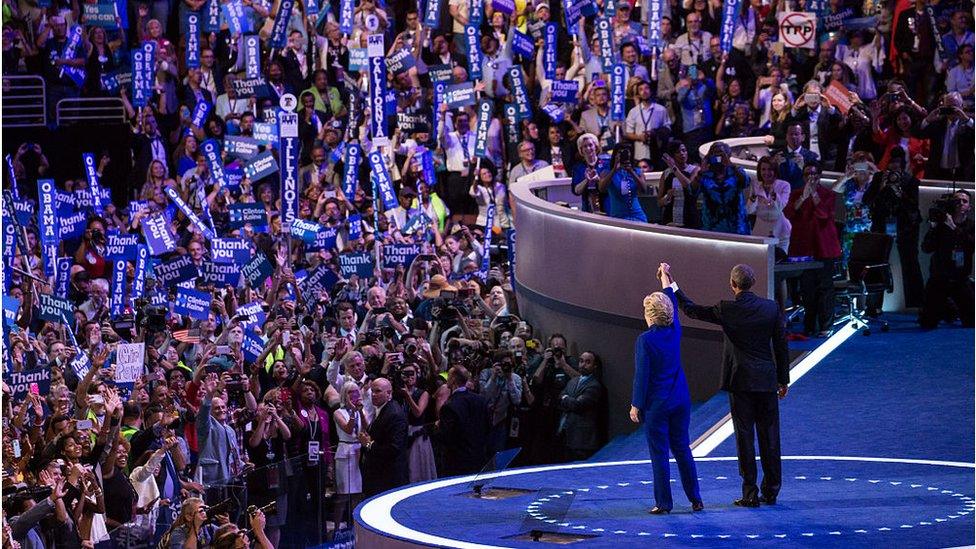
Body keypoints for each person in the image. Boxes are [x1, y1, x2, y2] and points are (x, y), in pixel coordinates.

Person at [670, 263, 790, 507]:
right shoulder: (770, 308)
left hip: (740, 382)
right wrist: (783, 379)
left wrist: (671, 285)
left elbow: (691, 310)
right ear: (753, 282)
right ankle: (772, 491)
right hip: (766, 381)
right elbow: (781, 345)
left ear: (732, 284)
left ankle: (749, 494)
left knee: (744, 438)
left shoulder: (726, 309)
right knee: (770, 436)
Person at [629, 264, 702, 514]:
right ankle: (696, 499)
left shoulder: (645, 340)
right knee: (682, 448)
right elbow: (670, 297)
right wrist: (665, 276)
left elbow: (642, 375)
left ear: (649, 315)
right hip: (680, 400)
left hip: (657, 405)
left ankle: (664, 503)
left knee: (660, 452)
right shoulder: (675, 330)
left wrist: (636, 404)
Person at [785, 163, 842, 337]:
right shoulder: (796, 194)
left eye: (815, 175)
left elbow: (824, 215)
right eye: (808, 174)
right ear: (803, 177)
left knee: (825, 287)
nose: (811, 178)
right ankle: (810, 325)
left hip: (824, 247)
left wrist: (814, 195)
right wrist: (803, 197)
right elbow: (788, 214)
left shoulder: (828, 194)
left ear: (819, 177)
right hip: (804, 248)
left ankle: (825, 324)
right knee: (807, 288)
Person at [919, 191, 974, 329]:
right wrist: (935, 227)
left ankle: (951, 309)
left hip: (961, 279)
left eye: (964, 201)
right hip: (939, 278)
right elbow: (926, 248)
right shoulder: (941, 225)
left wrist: (954, 228)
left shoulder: (972, 226)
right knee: (927, 323)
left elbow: (971, 246)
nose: (960, 204)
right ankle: (945, 309)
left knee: (972, 322)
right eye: (957, 201)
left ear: (970, 206)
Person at [436, 366, 491, 477]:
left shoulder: (450, 406)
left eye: (449, 375)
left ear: (453, 380)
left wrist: (438, 427)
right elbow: (488, 426)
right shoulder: (481, 400)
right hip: (479, 458)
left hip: (457, 463)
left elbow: (446, 437)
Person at [358, 377, 409, 498]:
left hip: (388, 477)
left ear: (389, 393)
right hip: (379, 475)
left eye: (378, 391)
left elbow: (394, 448)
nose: (374, 395)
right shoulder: (383, 409)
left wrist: (369, 444)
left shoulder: (394, 414)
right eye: (372, 391)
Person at [557, 351, 606, 462]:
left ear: (595, 366)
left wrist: (566, 398)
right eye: (581, 361)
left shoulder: (595, 386)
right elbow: (560, 397)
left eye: (588, 362)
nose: (583, 365)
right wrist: (568, 400)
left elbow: (578, 405)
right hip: (567, 435)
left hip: (583, 440)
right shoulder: (573, 381)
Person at [598, 143, 650, 222]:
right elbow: (601, 188)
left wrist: (631, 171)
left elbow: (644, 190)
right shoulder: (606, 172)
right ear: (615, 155)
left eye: (626, 152)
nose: (623, 155)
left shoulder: (637, 171)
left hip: (637, 215)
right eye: (620, 152)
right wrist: (614, 169)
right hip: (618, 217)